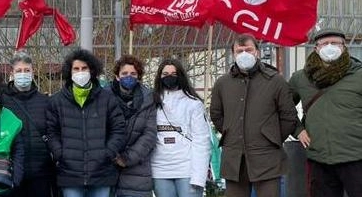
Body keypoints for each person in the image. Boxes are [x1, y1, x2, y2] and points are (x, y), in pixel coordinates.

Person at [209, 34, 297, 197]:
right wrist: (230, 132)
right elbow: (216, 114)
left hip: (267, 158)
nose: (244, 54)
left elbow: (289, 117)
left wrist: (271, 137)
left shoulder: (275, 81)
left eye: (248, 49)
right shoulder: (223, 83)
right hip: (234, 160)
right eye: (239, 50)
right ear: (233, 54)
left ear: (257, 52)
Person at [289, 28, 362, 197]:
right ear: (316, 48)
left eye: (335, 43)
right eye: (324, 43)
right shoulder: (301, 78)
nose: (330, 47)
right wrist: (298, 129)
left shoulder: (358, 75)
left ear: (344, 47)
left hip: (356, 157)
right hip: (319, 159)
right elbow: (283, 107)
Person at [46, 48, 127, 197]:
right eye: (76, 69)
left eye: (84, 68)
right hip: (70, 174)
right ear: (69, 72)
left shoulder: (107, 99)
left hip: (101, 174)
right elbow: (52, 132)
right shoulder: (57, 101)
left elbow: (119, 129)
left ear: (92, 70)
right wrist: (60, 153)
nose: (80, 72)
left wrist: (108, 153)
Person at [150, 58, 211, 197]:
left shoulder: (193, 104)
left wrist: (198, 177)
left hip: (187, 170)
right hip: (160, 170)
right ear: (159, 76)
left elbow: (201, 141)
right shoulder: (151, 102)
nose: (169, 77)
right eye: (165, 74)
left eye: (173, 73)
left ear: (180, 76)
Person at [3, 51, 55, 197]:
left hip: (41, 174)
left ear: (33, 72)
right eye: (19, 70)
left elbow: (52, 131)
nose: (23, 74)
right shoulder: (3, 101)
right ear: (12, 73)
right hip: (12, 172)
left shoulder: (44, 101)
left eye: (27, 70)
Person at [111, 54, 157, 197]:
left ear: (138, 76)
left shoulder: (149, 99)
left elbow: (149, 134)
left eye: (133, 73)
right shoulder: (104, 96)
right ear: (117, 76)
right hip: (108, 168)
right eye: (124, 73)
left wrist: (127, 158)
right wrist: (112, 153)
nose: (128, 77)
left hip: (137, 170)